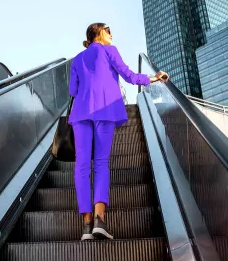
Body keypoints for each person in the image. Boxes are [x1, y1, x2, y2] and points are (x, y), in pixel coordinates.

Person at [69, 23, 169, 240]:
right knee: (102, 163)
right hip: (104, 109)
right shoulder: (110, 51)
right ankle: (100, 221)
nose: (112, 35)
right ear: (98, 34)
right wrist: (153, 77)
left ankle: (86, 226)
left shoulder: (77, 59)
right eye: (108, 31)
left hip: (80, 114)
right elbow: (129, 76)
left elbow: (73, 90)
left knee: (82, 166)